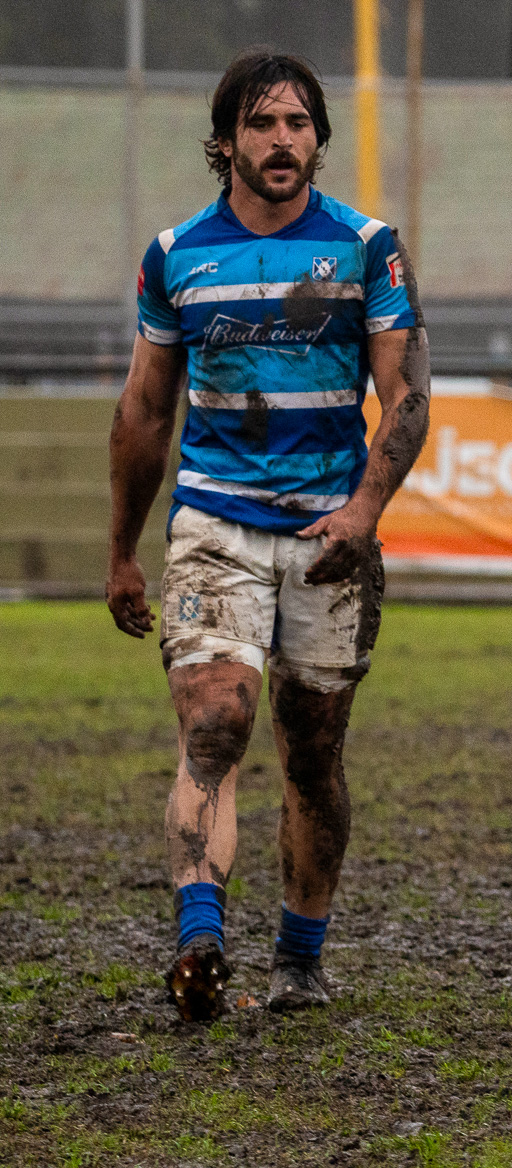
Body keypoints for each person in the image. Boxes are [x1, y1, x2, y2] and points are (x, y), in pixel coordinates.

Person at [105, 48, 429, 1020]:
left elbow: (406, 395)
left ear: (320, 139)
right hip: (215, 522)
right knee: (215, 722)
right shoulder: (176, 255)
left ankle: (300, 954)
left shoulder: (369, 246)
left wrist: (364, 514)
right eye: (261, 123)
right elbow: (145, 410)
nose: (281, 140)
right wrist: (123, 548)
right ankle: (200, 938)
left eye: (297, 124)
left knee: (313, 752)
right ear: (225, 141)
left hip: (332, 530)